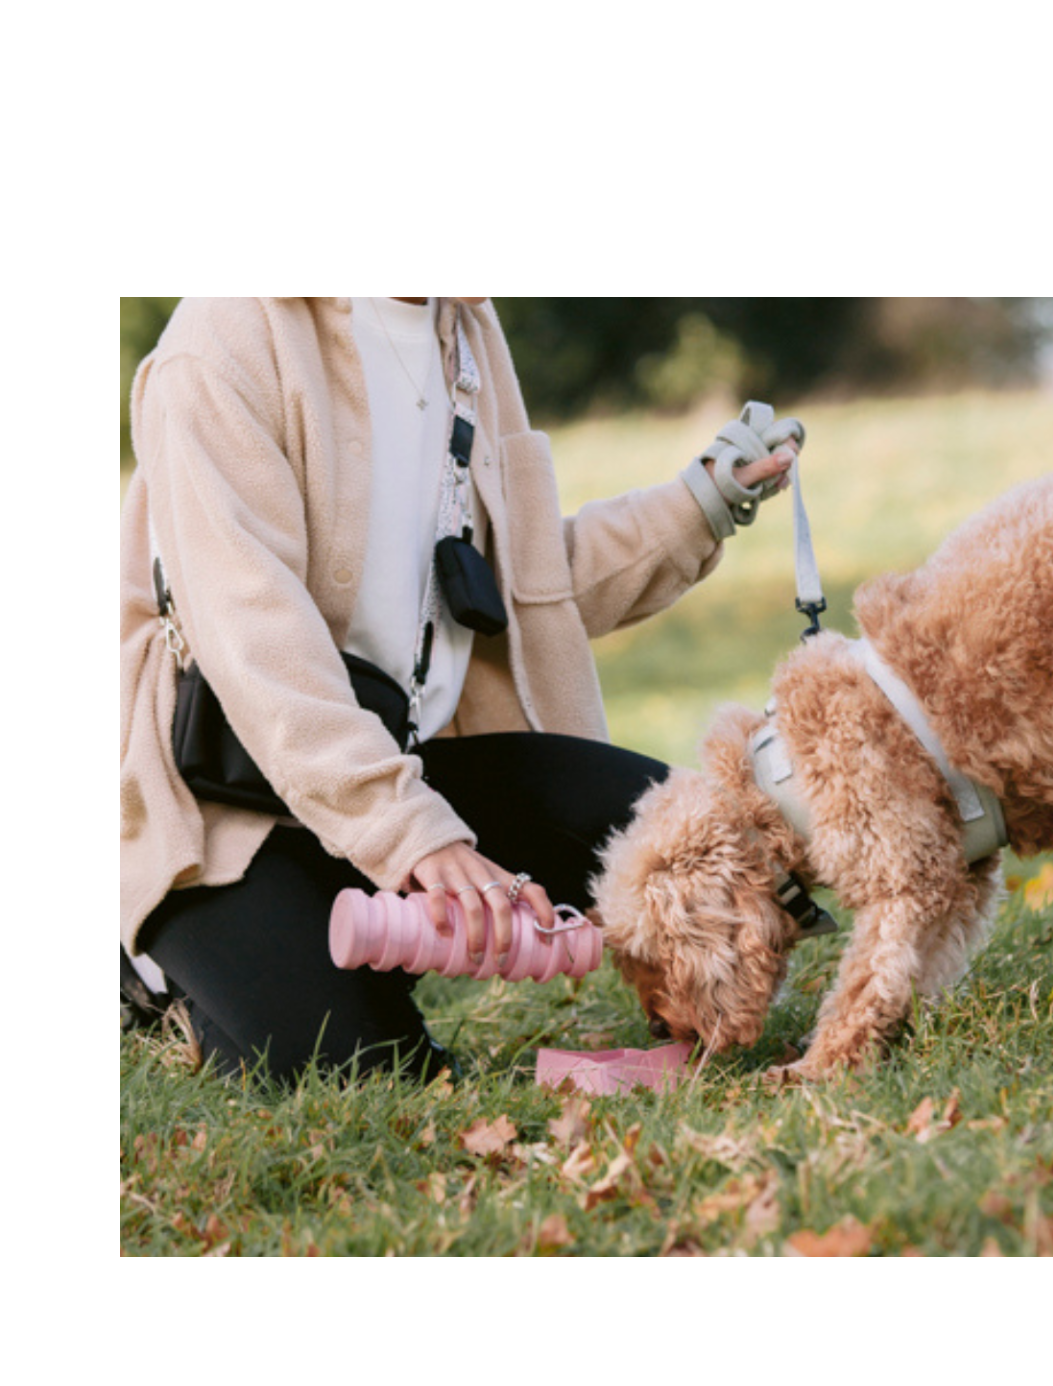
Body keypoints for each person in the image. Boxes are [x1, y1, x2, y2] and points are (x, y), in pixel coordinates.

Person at [119, 297, 800, 1082]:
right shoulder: (224, 337)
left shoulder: (464, 330)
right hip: (222, 803)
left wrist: (698, 504)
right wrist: (415, 836)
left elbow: (512, 582)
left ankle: (359, 940)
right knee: (358, 1068)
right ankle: (157, 979)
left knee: (700, 848)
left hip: (406, 769)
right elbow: (254, 643)